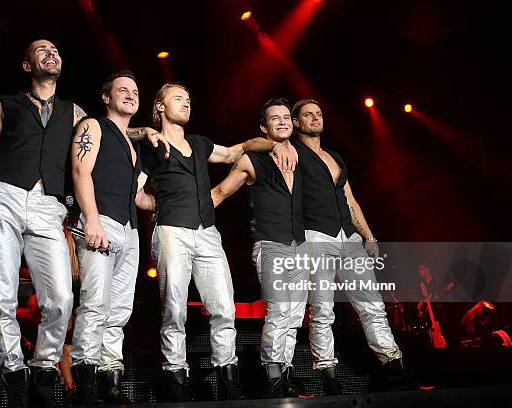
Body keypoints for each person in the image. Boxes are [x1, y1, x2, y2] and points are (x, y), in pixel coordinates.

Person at [140, 83, 296, 401]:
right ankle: (176, 376)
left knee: (224, 307)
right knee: (175, 308)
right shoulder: (149, 144)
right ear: (159, 106)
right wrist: (158, 205)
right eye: (178, 99)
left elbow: (232, 153)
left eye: (188, 99)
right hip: (172, 231)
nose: (186, 103)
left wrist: (269, 142)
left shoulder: (198, 143)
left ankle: (228, 377)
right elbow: (137, 192)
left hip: (207, 232)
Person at [0, 39, 86, 407]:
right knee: (2, 293)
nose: (52, 52)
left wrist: (144, 133)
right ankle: (13, 370)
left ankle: (45, 367)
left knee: (60, 298)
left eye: (56, 49)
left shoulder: (73, 111)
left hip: (48, 204)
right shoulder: (5, 104)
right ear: (28, 66)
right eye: (41, 50)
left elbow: (105, 138)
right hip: (2, 195)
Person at [290, 98, 414, 394]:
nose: (315, 118)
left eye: (318, 113)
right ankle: (328, 374)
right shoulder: (291, 150)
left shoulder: (335, 156)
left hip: (350, 238)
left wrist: (368, 235)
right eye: (308, 115)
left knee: (373, 306)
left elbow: (349, 198)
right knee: (322, 310)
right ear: (297, 122)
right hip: (317, 236)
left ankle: (394, 368)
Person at [69, 70, 159, 406]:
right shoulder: (92, 126)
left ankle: (110, 376)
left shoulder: (134, 146)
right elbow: (81, 172)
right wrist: (91, 218)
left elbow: (137, 196)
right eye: (122, 90)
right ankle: (86, 379)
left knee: (119, 308)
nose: (131, 95)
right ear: (106, 97)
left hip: (130, 229)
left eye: (135, 91)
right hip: (100, 220)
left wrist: (164, 202)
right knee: (95, 303)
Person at [211, 98, 308, 398]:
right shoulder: (252, 160)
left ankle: (287, 371)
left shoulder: (303, 158)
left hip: (301, 245)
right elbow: (220, 192)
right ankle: (273, 374)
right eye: (274, 118)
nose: (282, 122)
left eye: (286, 117)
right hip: (270, 244)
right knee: (279, 312)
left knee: (294, 315)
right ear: (264, 127)